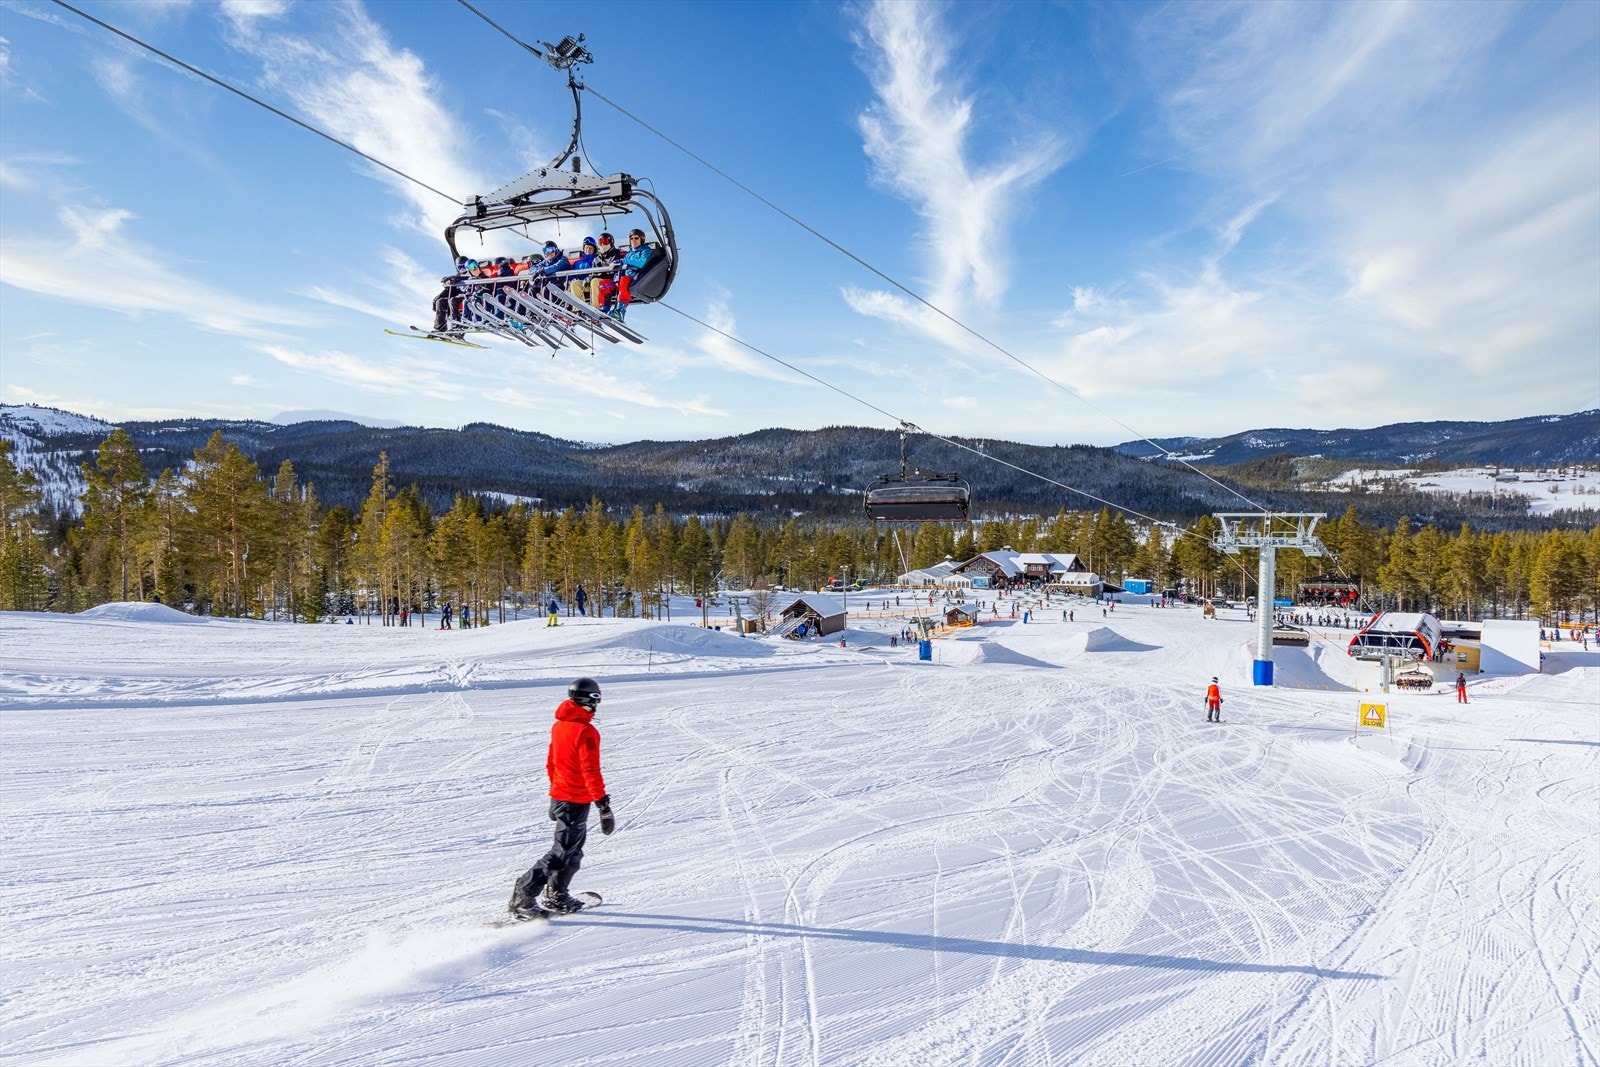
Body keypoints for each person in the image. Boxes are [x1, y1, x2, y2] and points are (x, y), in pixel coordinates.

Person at [509, 677, 615, 919]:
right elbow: (590, 770)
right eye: (597, 698)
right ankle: (523, 895)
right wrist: (603, 804)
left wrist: (555, 795)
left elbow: (551, 763)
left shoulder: (560, 726)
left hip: (565, 797)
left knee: (573, 852)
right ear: (592, 699)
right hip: (574, 799)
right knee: (562, 853)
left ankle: (557, 894)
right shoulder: (586, 731)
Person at [567, 237, 599, 304]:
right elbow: (571, 273)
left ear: (594, 250)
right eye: (586, 248)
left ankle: (579, 308)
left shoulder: (596, 260)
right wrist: (571, 279)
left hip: (589, 283)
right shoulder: (577, 262)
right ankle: (564, 308)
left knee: (574, 285)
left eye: (590, 248)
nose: (588, 250)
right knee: (571, 285)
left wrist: (588, 279)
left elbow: (597, 272)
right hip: (578, 283)